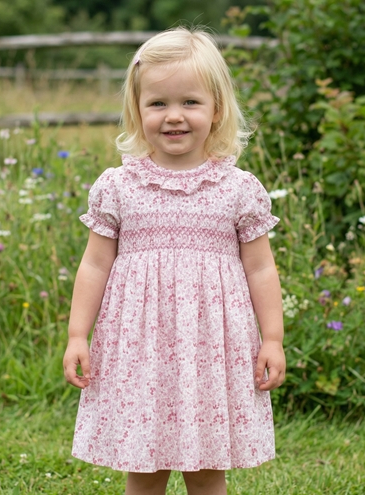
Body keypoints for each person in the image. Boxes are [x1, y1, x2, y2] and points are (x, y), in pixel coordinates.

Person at [63, 26, 286, 495]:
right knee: (143, 466)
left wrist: (273, 339)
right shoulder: (118, 187)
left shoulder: (239, 189)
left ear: (216, 109)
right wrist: (77, 334)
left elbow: (261, 268)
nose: (174, 116)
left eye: (190, 102)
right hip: (139, 352)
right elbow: (95, 265)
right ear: (137, 110)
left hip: (212, 353)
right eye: (158, 103)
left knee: (207, 469)